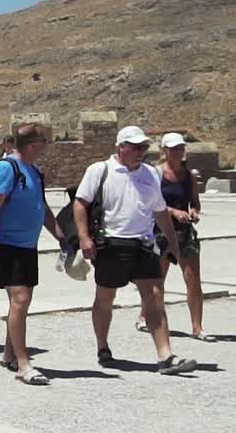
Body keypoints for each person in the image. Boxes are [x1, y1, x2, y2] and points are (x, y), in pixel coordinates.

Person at [74, 126, 197, 374]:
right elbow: (80, 204)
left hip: (143, 244)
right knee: (105, 298)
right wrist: (84, 238)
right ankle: (103, 346)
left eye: (144, 147)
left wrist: (173, 243)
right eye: (136, 147)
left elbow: (160, 211)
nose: (142, 151)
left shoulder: (151, 174)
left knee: (154, 296)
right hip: (111, 244)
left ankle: (165, 355)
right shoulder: (100, 171)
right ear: (122, 147)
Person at [0, 124, 62, 385]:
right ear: (32, 144)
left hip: (28, 245)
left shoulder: (34, 172)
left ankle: (9, 354)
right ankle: (24, 364)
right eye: (43, 142)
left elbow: (43, 207)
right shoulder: (7, 168)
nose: (45, 147)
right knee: (21, 298)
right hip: (8, 245)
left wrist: (61, 236)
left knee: (22, 302)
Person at [137, 132, 210, 340]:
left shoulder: (188, 177)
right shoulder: (156, 174)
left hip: (185, 232)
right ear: (165, 151)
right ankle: (147, 317)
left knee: (194, 280)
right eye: (173, 149)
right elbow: (151, 204)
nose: (178, 152)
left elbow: (195, 202)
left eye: (180, 148)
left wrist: (194, 212)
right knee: (157, 279)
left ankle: (197, 327)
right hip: (161, 232)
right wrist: (173, 212)